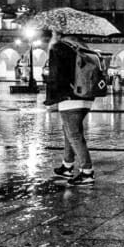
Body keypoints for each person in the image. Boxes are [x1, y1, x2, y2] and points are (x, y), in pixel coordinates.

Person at [45, 29, 96, 186]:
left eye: (54, 31)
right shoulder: (83, 47)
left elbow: (55, 75)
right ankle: (67, 165)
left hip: (69, 96)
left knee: (74, 134)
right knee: (70, 132)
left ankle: (87, 172)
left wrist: (51, 99)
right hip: (87, 96)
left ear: (59, 33)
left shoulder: (59, 48)